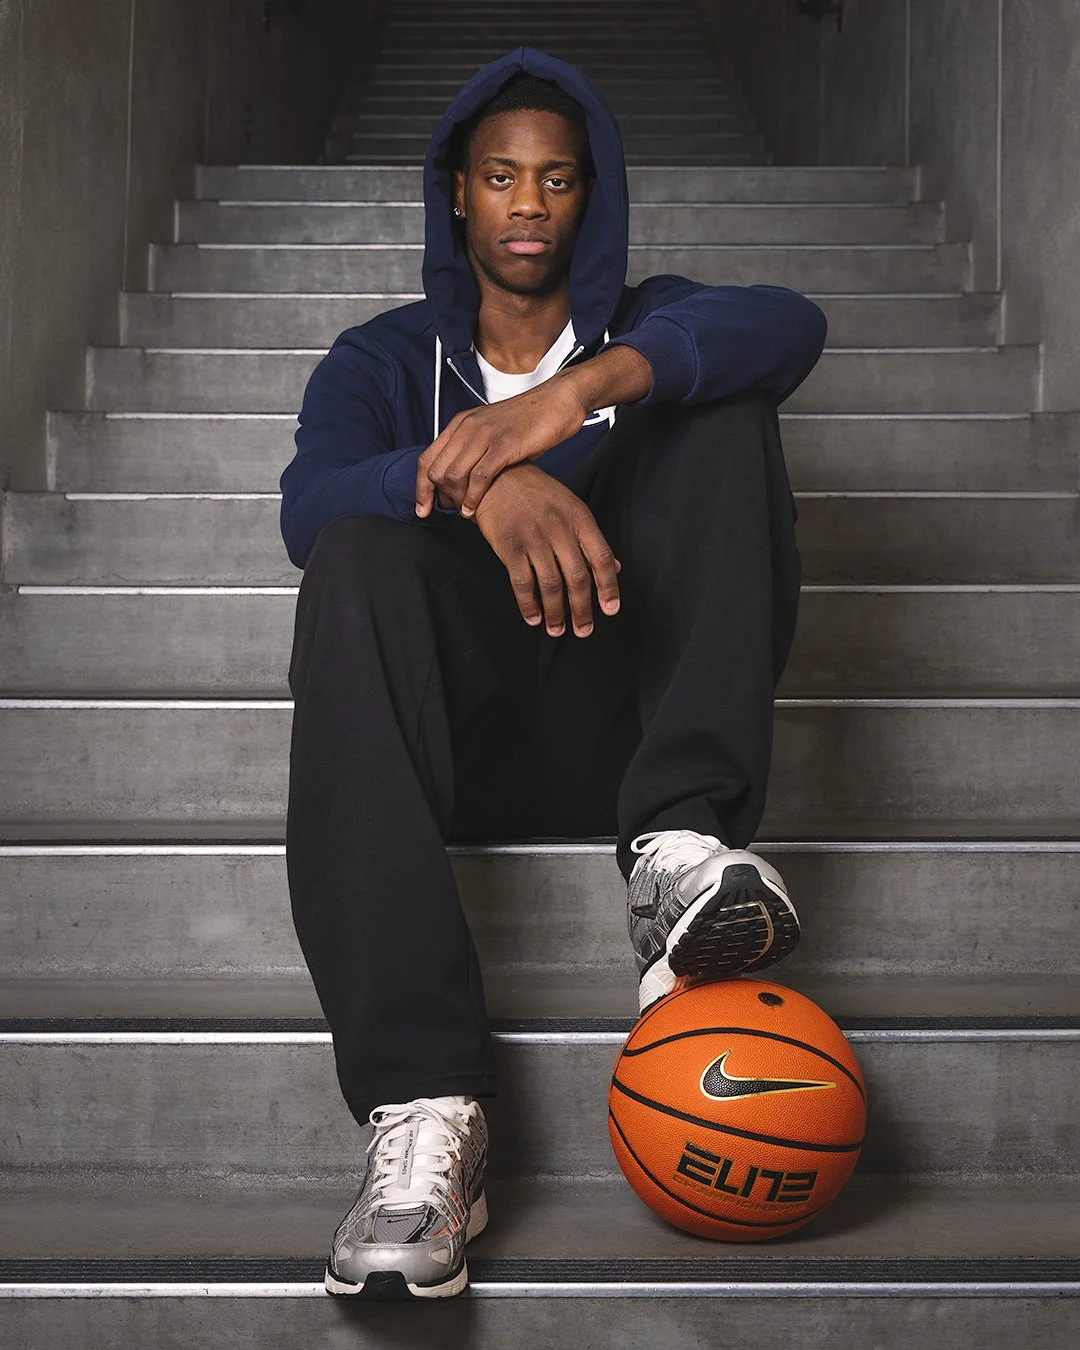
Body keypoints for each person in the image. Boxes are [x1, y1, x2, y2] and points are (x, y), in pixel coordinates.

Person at [280, 48, 826, 1300]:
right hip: (455, 746)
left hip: (623, 733)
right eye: (500, 176)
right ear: (457, 193)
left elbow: (792, 325)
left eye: (558, 178)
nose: (528, 202)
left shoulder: (650, 320)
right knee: (356, 551)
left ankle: (681, 848)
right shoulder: (382, 358)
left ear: (594, 195)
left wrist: (571, 400)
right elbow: (307, 506)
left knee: (721, 401)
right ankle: (426, 1110)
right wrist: (485, 482)